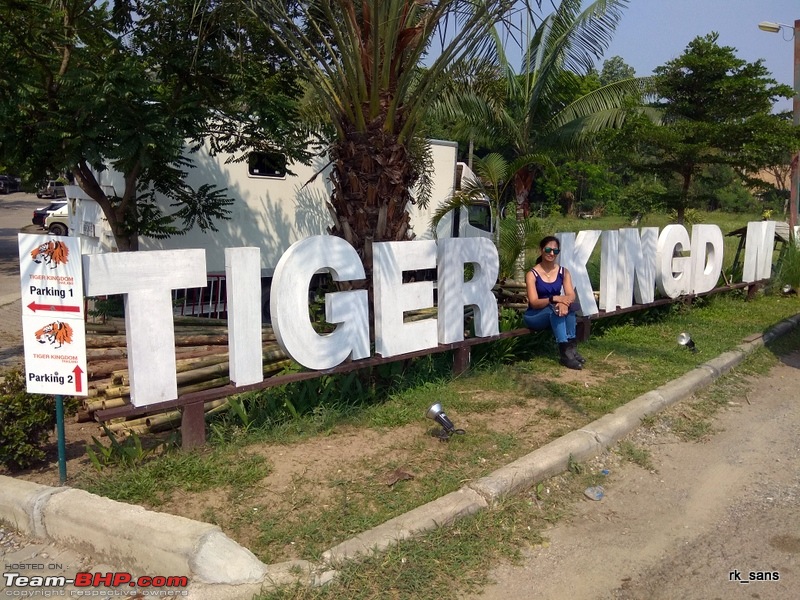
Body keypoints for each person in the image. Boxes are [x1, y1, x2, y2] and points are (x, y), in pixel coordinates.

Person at [523, 236, 586, 370]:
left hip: (555, 309)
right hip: (535, 315)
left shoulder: (564, 272)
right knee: (557, 310)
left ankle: (572, 350)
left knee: (568, 309)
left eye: (555, 251)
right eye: (548, 249)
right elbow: (534, 302)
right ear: (541, 250)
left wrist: (563, 302)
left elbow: (571, 294)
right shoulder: (532, 274)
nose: (552, 253)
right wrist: (554, 299)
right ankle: (564, 354)